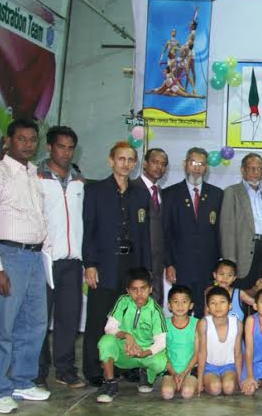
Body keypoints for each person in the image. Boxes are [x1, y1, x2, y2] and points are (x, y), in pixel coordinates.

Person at [0, 119, 51, 413]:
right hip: (7, 257)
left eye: (33, 139)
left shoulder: (33, 173)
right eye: (22, 139)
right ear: (8, 141)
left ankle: (21, 381)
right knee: (3, 328)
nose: (28, 144)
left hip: (33, 258)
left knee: (34, 324)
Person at [82, 141, 151, 386]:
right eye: (121, 159)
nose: (126, 164)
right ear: (111, 160)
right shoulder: (95, 191)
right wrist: (89, 264)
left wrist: (144, 271)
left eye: (131, 160)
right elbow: (88, 231)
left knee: (126, 319)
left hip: (130, 264)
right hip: (104, 264)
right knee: (99, 319)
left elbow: (144, 235)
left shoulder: (141, 192)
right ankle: (93, 369)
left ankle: (123, 365)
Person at [36, 125, 87, 389]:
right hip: (43, 260)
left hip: (72, 261)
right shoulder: (36, 178)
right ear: (49, 147)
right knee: (39, 319)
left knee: (69, 317)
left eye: (70, 148)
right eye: (60, 146)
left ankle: (65, 369)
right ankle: (38, 370)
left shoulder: (79, 181)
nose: (66, 153)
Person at [163, 147, 223, 317]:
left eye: (202, 164)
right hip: (181, 266)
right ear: (185, 164)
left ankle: (201, 344)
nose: (197, 167)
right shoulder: (169, 194)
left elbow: (220, 231)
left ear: (207, 168)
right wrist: (169, 264)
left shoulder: (217, 194)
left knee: (205, 311)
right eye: (193, 162)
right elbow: (165, 233)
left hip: (208, 266)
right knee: (182, 310)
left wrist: (219, 264)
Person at [95, 267, 168, 403]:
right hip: (125, 351)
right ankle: (110, 383)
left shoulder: (156, 311)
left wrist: (143, 353)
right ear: (128, 291)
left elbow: (161, 342)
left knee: (161, 362)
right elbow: (109, 328)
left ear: (150, 289)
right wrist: (127, 336)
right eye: (134, 289)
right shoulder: (123, 302)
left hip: (143, 353)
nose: (139, 294)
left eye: (143, 288)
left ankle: (145, 373)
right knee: (105, 342)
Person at [220, 153, 262, 290]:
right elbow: (227, 231)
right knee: (242, 294)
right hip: (243, 252)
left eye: (259, 169)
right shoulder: (232, 192)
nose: (256, 172)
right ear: (243, 170)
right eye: (251, 168)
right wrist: (230, 263)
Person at [131, 148, 168, 305]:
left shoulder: (161, 192)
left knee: (155, 305)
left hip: (158, 263)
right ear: (145, 163)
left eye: (163, 164)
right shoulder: (131, 188)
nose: (159, 167)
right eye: (155, 162)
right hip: (138, 260)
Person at [196, 288, 243, 396]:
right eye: (213, 303)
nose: (218, 306)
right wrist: (199, 380)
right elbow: (202, 353)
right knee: (215, 389)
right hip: (209, 367)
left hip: (229, 366)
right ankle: (209, 380)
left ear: (230, 305)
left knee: (229, 388)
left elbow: (238, 353)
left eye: (222, 302)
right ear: (208, 308)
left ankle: (230, 380)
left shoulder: (237, 324)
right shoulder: (203, 323)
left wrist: (240, 378)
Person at [161, 285, 199, 400]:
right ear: (169, 305)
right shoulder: (164, 324)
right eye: (175, 301)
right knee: (167, 394)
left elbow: (198, 353)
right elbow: (163, 352)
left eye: (184, 302)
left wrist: (184, 373)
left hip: (191, 368)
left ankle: (192, 382)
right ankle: (176, 382)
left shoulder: (197, 323)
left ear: (191, 305)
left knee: (187, 393)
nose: (180, 305)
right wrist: (173, 373)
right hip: (170, 368)